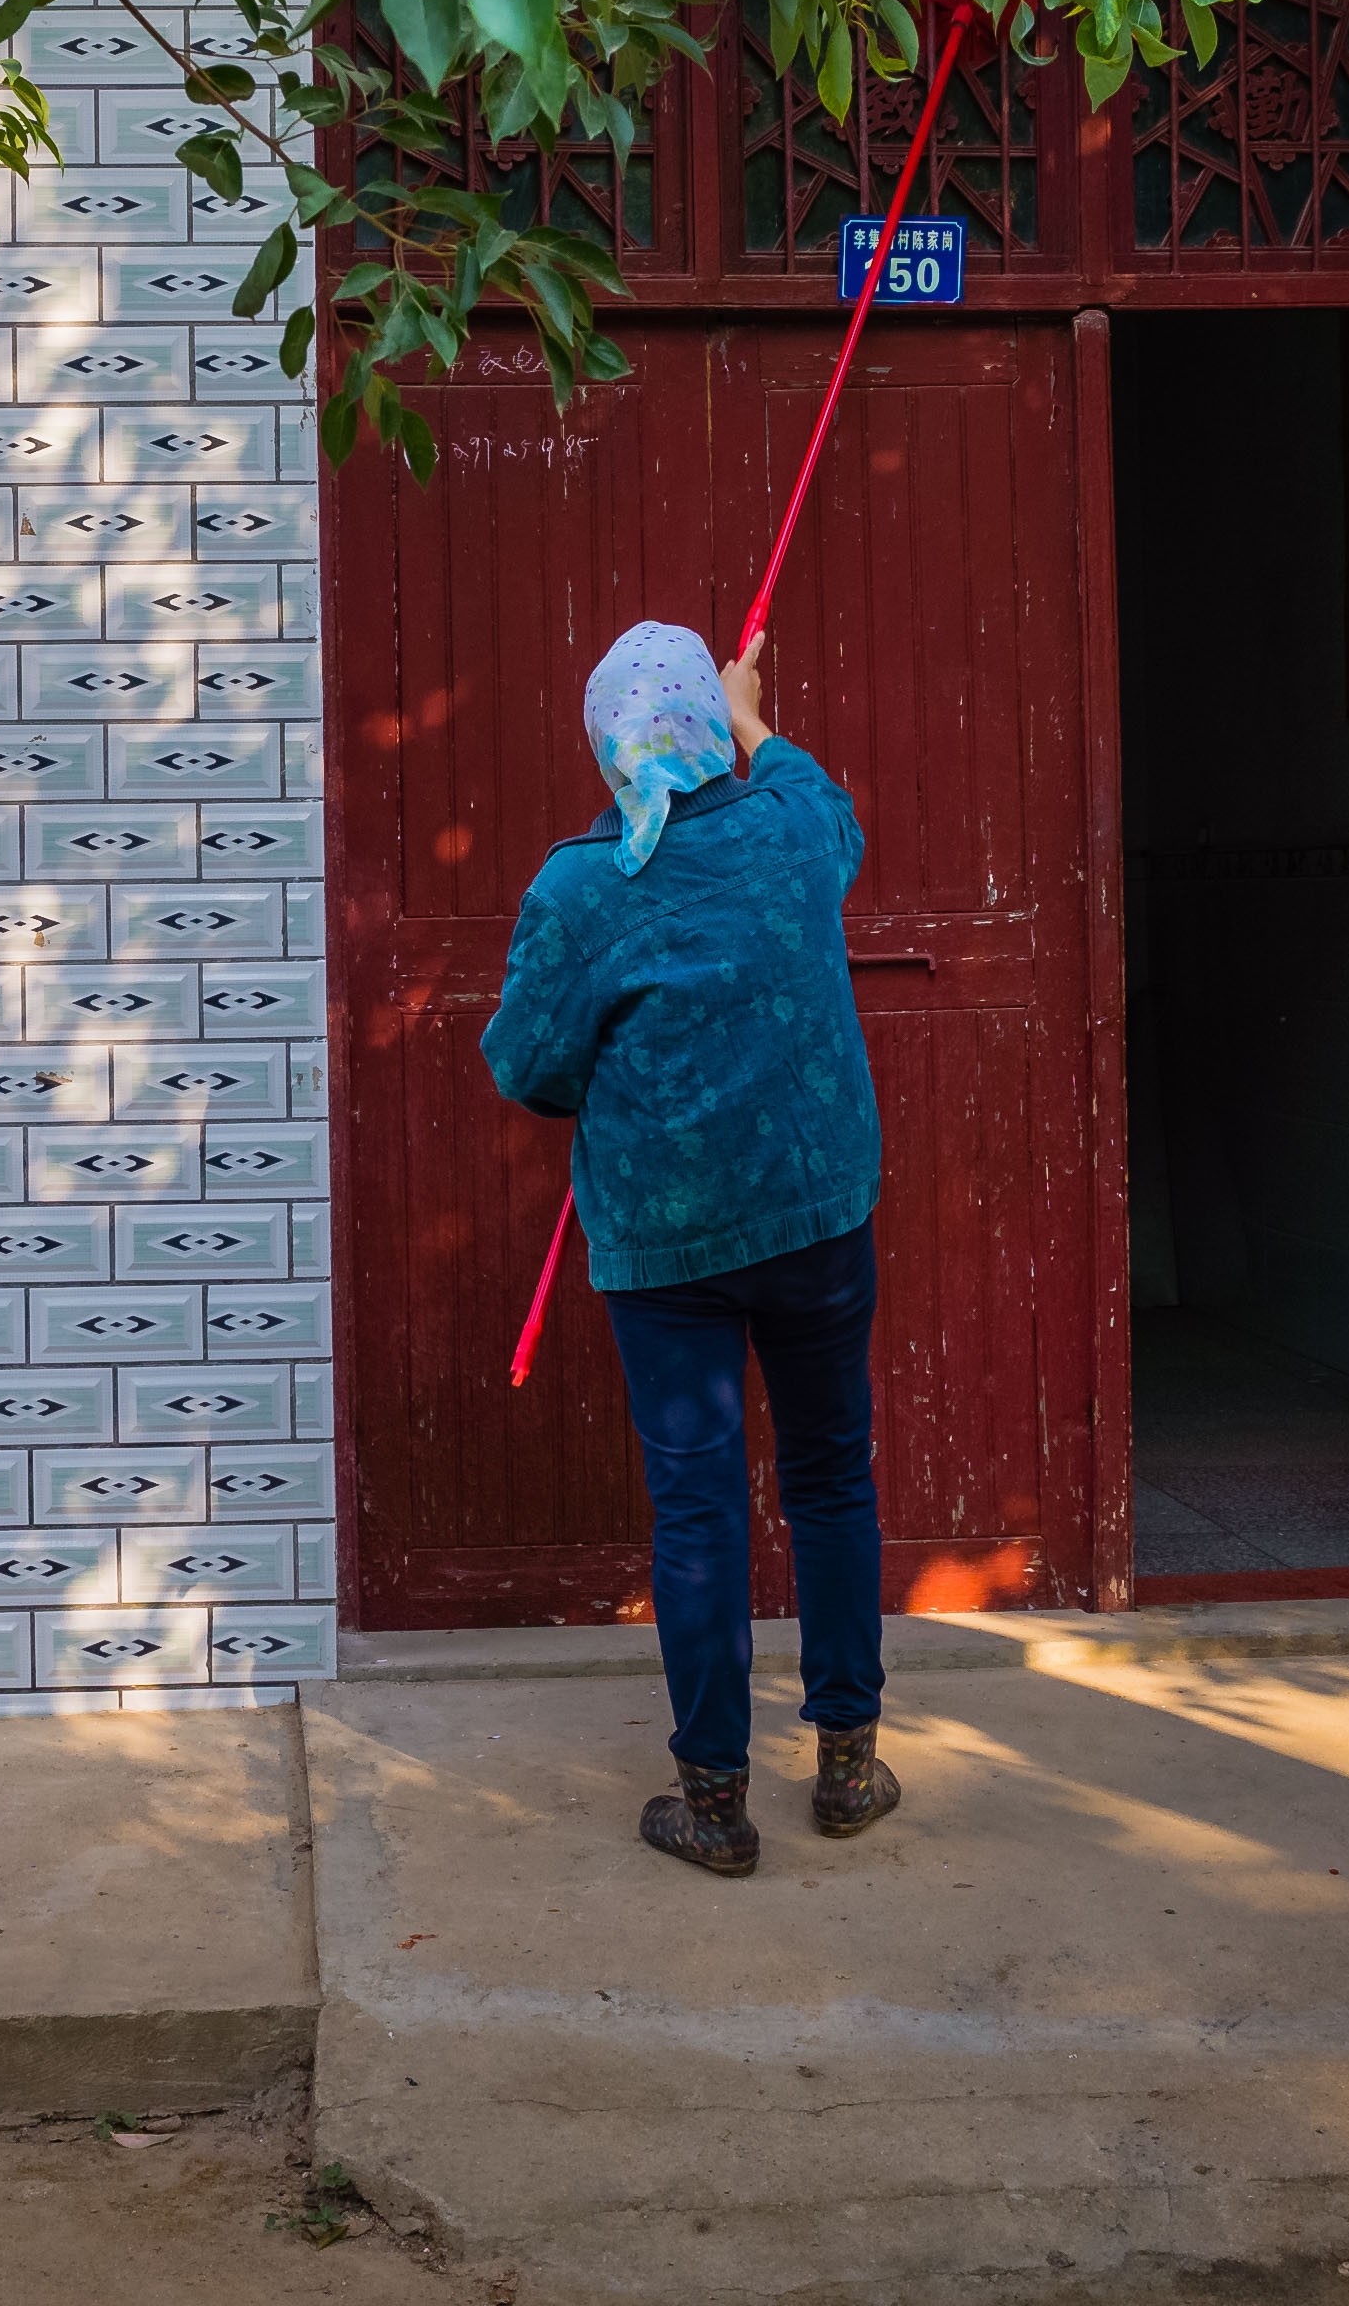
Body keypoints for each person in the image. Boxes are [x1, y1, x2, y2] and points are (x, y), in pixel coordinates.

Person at [483, 619, 900, 1877]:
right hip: (818, 1215)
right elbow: (828, 808)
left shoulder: (581, 885)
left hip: (667, 1249)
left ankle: (715, 1806)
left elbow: (528, 1065)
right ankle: (846, 1766)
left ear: (610, 741)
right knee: (829, 1474)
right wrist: (755, 708)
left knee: (699, 1508)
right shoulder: (785, 832)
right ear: (713, 731)